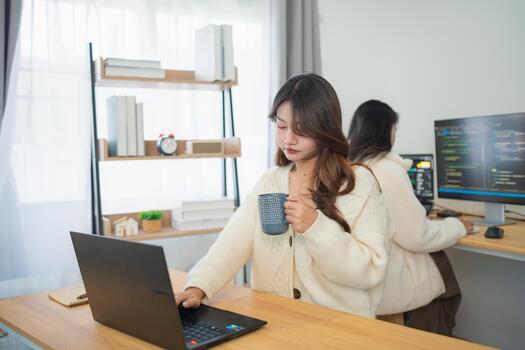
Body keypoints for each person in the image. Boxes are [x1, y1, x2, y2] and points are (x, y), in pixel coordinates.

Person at [176, 74, 389, 318]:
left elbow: (371, 270)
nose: (288, 139)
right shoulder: (270, 181)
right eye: (281, 126)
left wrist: (316, 227)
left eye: (301, 130)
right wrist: (198, 286)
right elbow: (232, 242)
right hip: (275, 320)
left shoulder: (359, 183)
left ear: (326, 128)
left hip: (338, 327)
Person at [347, 99, 473, 335]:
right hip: (391, 291)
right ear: (387, 132)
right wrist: (457, 226)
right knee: (443, 270)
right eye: (394, 128)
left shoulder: (349, 169)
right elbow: (418, 236)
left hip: (363, 287)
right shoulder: (388, 170)